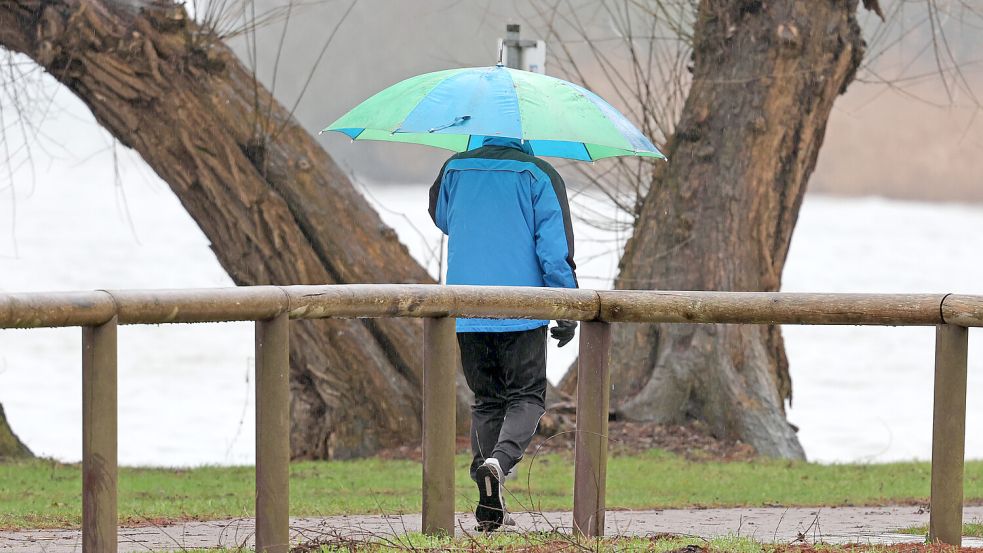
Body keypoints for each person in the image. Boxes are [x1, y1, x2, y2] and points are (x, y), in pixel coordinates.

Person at [428, 135, 579, 531]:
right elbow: (553, 249)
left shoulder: (454, 169)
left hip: (468, 309)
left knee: (487, 401)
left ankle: (490, 509)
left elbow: (442, 218)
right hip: (522, 309)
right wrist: (566, 306)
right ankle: (501, 461)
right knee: (527, 397)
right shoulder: (539, 174)